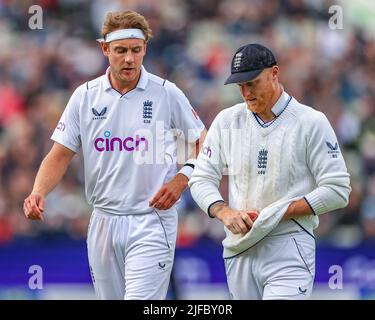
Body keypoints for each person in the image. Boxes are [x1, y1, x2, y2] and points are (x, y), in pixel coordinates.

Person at [23, 10, 206, 300]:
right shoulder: (85, 96)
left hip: (151, 220)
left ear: (145, 48)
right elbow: (59, 154)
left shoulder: (166, 93)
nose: (129, 59)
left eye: (136, 50)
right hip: (103, 221)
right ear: (105, 49)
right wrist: (38, 192)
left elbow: (203, 142)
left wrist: (182, 179)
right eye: (121, 50)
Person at [189, 43, 351, 300]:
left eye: (252, 83)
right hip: (239, 247)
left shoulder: (311, 122)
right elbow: (201, 179)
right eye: (240, 86)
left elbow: (338, 191)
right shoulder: (227, 121)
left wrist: (276, 213)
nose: (245, 93)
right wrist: (224, 212)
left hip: (289, 243)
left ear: (274, 73)